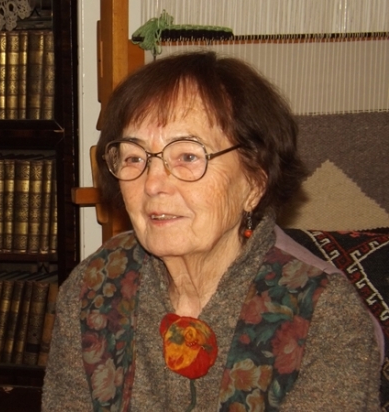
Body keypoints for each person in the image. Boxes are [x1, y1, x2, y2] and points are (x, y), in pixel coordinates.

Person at [42, 51, 381, 411]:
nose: (152, 183)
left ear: (254, 182)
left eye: (188, 156)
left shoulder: (325, 316)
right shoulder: (93, 287)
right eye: (134, 157)